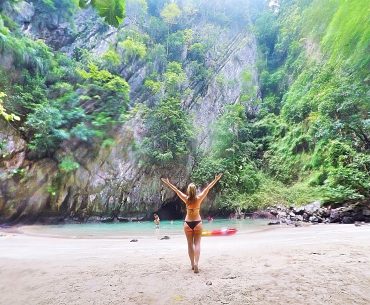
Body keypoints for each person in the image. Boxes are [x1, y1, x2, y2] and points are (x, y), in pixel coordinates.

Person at [161, 174, 223, 273]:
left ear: (188, 191)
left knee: (190, 244)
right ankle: (196, 263)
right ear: (195, 191)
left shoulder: (186, 198)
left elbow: (176, 191)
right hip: (198, 222)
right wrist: (216, 179)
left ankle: (192, 265)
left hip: (188, 223)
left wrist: (168, 183)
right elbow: (208, 188)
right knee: (197, 243)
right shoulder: (199, 198)